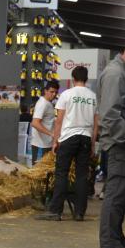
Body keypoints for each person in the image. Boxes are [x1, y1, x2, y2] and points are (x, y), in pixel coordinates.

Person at [36, 66, 98, 222]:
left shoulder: (66, 94)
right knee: (82, 176)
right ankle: (79, 213)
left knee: (61, 173)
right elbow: (96, 124)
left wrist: (55, 140)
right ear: (86, 78)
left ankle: (55, 211)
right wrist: (92, 145)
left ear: (73, 78)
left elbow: (59, 121)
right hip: (85, 138)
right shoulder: (93, 96)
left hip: (69, 137)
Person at [98, 48, 125, 248]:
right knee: (116, 192)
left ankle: (116, 237)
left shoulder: (121, 72)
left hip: (121, 141)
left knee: (120, 194)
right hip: (119, 144)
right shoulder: (115, 73)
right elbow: (110, 115)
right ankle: (109, 242)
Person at [29, 81, 60, 164]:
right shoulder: (43, 103)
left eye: (56, 92)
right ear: (45, 91)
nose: (54, 94)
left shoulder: (47, 103)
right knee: (38, 171)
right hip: (40, 144)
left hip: (45, 143)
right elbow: (35, 123)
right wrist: (51, 134)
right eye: (51, 91)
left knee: (43, 171)